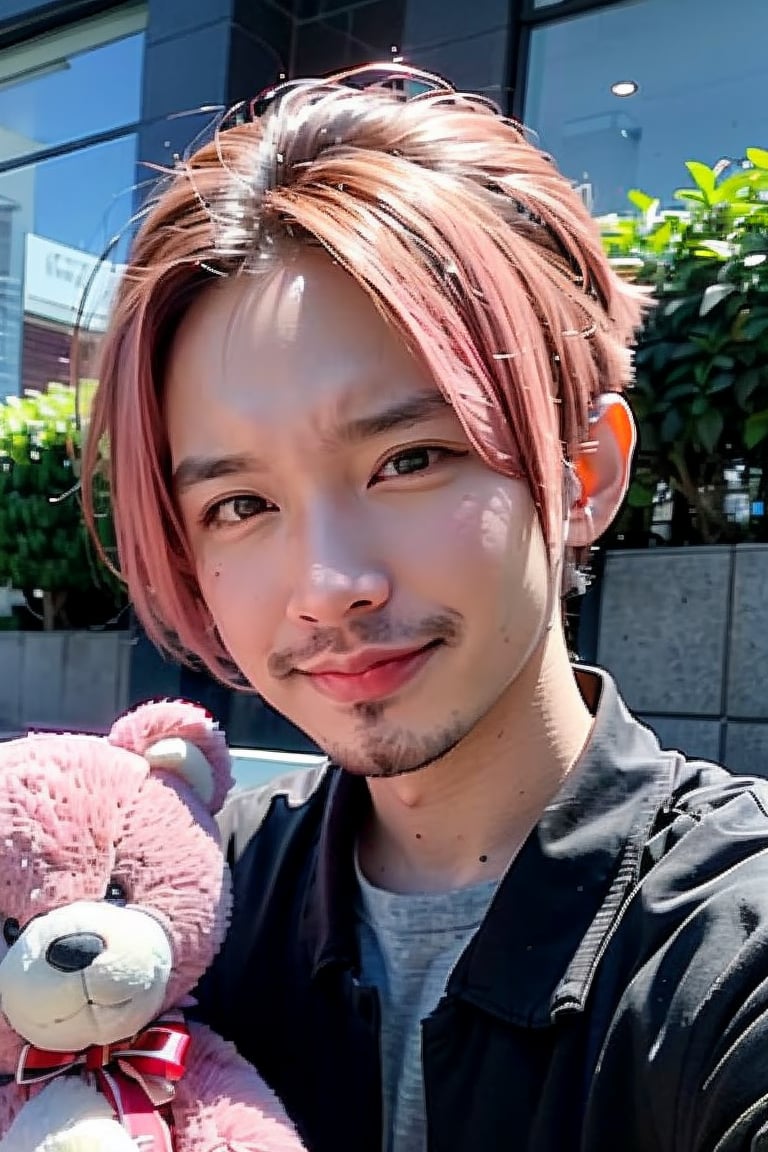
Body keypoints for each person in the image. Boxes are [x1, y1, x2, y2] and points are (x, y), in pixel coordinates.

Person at [83, 64, 768, 1152]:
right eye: (242, 502)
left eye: (410, 458)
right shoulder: (175, 902)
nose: (327, 583)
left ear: (584, 471)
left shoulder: (727, 954)